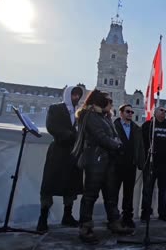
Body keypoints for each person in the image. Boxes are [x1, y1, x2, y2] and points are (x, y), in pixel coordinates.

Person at [76, 90, 132, 245]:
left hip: (108, 161)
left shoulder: (105, 117)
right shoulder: (90, 116)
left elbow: (113, 135)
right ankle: (85, 227)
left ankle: (115, 222)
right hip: (95, 160)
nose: (111, 104)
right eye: (108, 102)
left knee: (111, 194)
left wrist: (116, 142)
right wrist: (116, 145)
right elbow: (100, 137)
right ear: (100, 103)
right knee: (90, 195)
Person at [36, 85, 84, 233]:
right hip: (58, 150)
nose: (76, 97)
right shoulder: (55, 108)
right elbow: (51, 126)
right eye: (73, 95)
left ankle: (67, 216)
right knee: (49, 184)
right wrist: (70, 135)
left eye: (78, 95)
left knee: (70, 185)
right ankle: (43, 218)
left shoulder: (79, 113)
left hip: (73, 153)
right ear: (68, 94)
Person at [140, 106, 166, 223]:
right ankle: (146, 212)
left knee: (164, 189)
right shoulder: (148, 125)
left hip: (165, 164)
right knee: (148, 189)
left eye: (165, 111)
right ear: (155, 112)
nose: (163, 113)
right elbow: (142, 142)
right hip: (150, 163)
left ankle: (163, 212)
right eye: (161, 110)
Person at [113, 104, 145, 228]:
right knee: (113, 192)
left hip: (130, 164)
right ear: (121, 113)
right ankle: (114, 218)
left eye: (132, 112)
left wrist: (141, 163)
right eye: (127, 111)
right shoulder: (113, 126)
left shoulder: (136, 129)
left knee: (129, 193)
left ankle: (127, 217)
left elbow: (140, 147)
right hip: (116, 165)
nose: (130, 114)